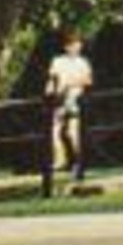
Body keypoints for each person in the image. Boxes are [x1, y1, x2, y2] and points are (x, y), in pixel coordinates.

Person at [44, 30, 94, 182]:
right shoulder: (58, 61)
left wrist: (71, 83)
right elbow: (52, 79)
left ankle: (78, 163)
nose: (75, 48)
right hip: (60, 100)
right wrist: (50, 91)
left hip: (74, 99)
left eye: (78, 45)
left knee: (73, 134)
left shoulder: (83, 62)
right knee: (55, 131)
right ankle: (61, 160)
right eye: (72, 45)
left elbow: (88, 81)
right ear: (66, 47)